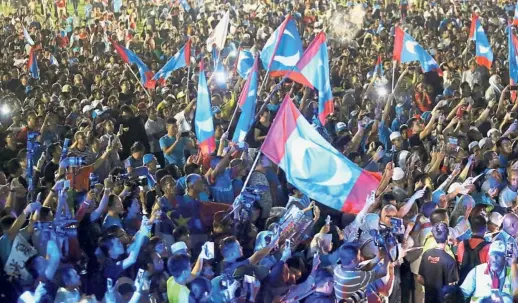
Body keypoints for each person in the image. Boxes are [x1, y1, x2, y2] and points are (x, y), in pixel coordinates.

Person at [418, 222, 458, 303]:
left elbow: (419, 278)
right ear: (447, 237)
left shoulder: (426, 254)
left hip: (428, 298)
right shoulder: (450, 260)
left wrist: (430, 288)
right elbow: (451, 286)